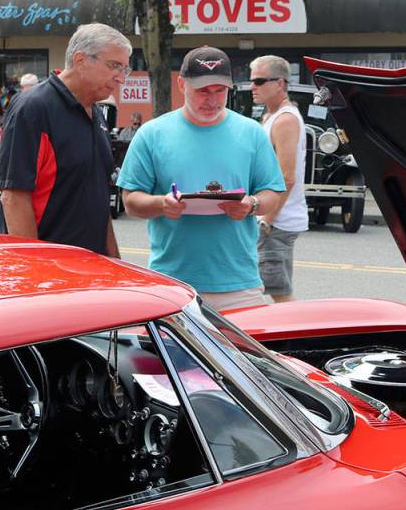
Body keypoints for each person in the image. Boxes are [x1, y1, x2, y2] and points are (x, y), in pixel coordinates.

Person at [117, 46, 285, 311]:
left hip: (239, 284)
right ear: (182, 84)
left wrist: (250, 204)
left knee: (244, 354)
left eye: (220, 90)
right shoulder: (152, 134)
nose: (212, 99)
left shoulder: (251, 133)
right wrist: (163, 204)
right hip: (172, 282)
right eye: (203, 91)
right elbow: (131, 200)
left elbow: (272, 195)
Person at [0, 23, 130, 256]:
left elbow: (97, 198)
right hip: (48, 272)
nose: (120, 78)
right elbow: (14, 197)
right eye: (114, 66)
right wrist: (34, 268)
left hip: (89, 269)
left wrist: (115, 263)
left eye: (124, 69)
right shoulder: (34, 107)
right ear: (80, 60)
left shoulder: (95, 112)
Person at [250, 54, 307, 302]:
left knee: (280, 296)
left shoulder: (285, 120)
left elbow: (287, 177)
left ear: (280, 83)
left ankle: (297, 341)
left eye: (260, 81)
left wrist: (266, 220)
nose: (253, 86)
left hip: (277, 222)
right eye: (252, 80)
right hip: (271, 218)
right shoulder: (271, 116)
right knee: (265, 290)